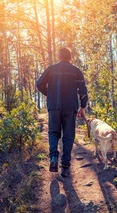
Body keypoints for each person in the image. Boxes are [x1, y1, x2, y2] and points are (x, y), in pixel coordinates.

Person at [36, 47, 88, 177]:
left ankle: (53, 158)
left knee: (53, 132)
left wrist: (50, 94)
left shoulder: (51, 69)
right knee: (68, 136)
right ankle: (65, 166)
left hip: (54, 106)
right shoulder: (76, 71)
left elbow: (39, 84)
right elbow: (83, 91)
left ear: (59, 56)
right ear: (70, 57)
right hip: (70, 107)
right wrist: (83, 107)